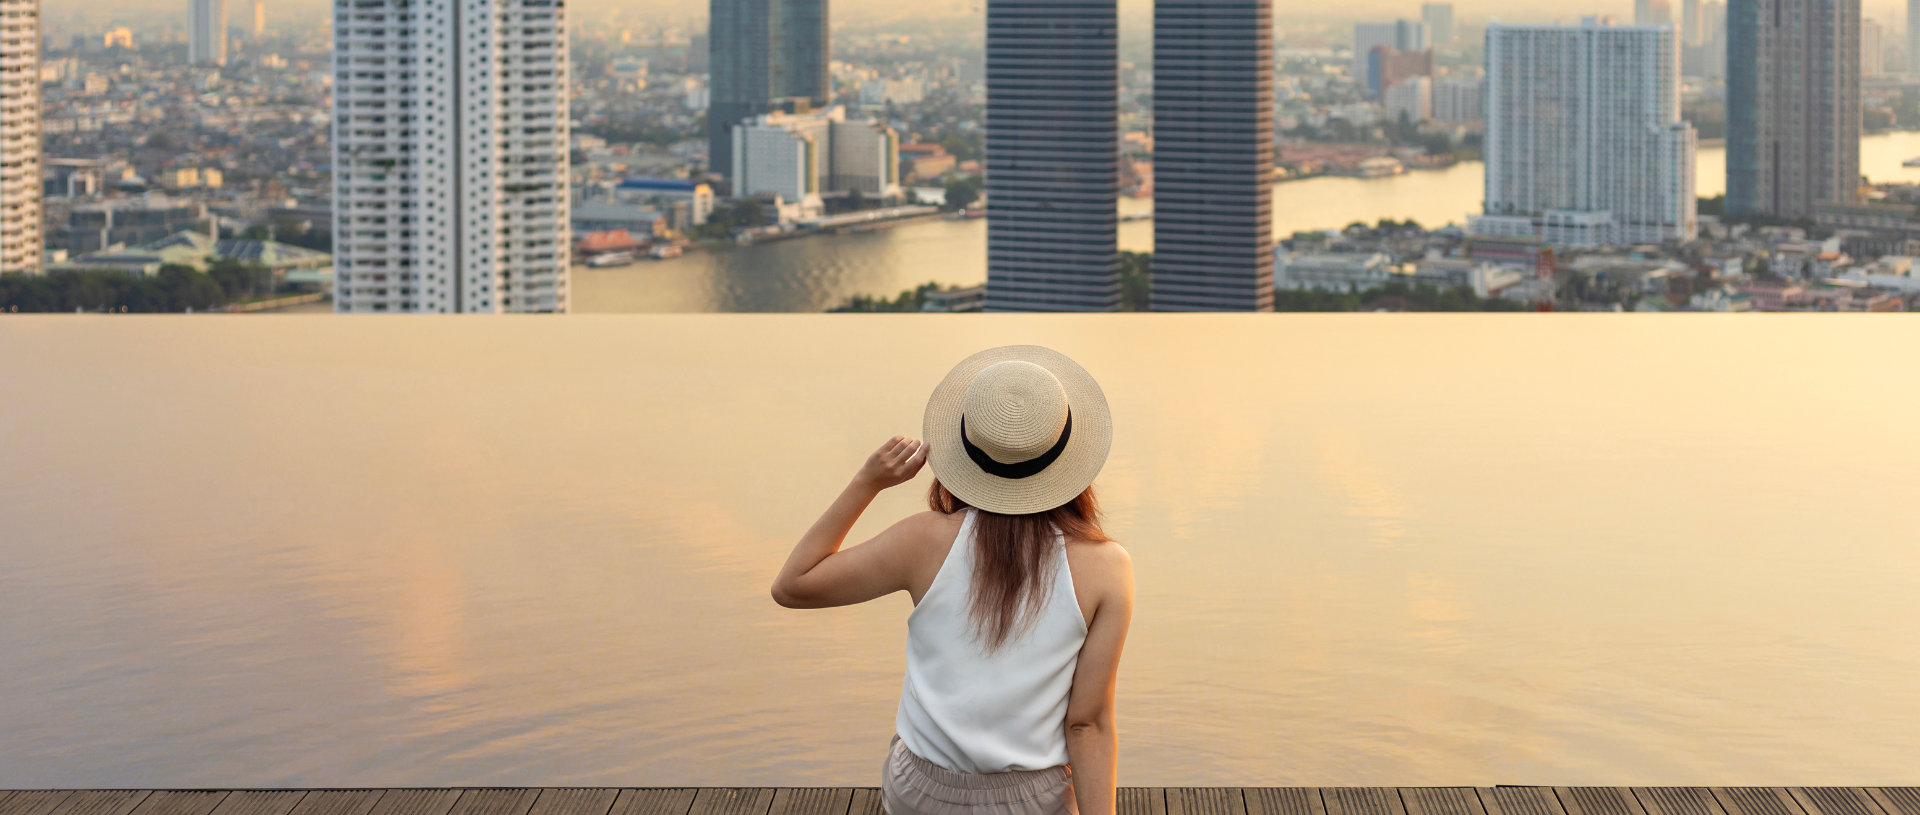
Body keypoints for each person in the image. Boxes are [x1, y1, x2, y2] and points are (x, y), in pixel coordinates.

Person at [771, 345, 1136, 815]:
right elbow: (1087, 725)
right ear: (1068, 458)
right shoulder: (1108, 566)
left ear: (964, 448)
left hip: (920, 788)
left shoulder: (922, 540)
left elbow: (793, 586)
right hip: (1033, 800)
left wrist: (867, 481)